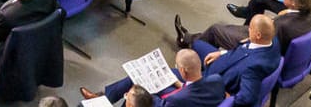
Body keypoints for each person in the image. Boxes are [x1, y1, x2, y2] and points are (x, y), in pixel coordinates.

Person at [83, 48, 224, 107]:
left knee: (137, 84)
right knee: (143, 76)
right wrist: (178, 84)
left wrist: (140, 92)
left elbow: (154, 102)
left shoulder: (175, 100)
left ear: (183, 71)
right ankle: (103, 97)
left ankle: (104, 100)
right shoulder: (216, 80)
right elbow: (192, 91)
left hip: (175, 98)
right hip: (186, 90)